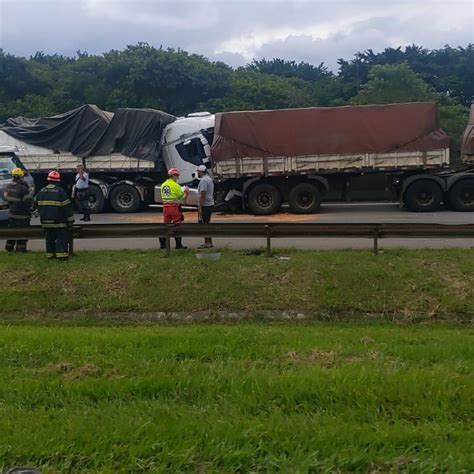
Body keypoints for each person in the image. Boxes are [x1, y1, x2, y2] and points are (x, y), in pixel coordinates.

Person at [35, 170, 75, 260]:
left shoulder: (41, 191)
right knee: (61, 238)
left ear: (48, 180)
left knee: (49, 238)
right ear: (58, 181)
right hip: (59, 222)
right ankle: (62, 257)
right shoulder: (61, 192)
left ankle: (50, 256)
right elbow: (67, 208)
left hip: (45, 221)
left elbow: (34, 205)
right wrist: (71, 220)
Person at [4, 167, 34, 252]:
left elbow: (5, 197)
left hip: (12, 214)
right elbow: (28, 201)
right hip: (23, 215)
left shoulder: (8, 186)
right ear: (21, 177)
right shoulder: (23, 188)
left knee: (12, 232)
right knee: (23, 232)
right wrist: (30, 193)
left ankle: (9, 247)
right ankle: (21, 249)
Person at [159, 168, 188, 250]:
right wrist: (186, 192)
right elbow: (182, 198)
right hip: (175, 208)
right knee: (177, 225)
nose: (178, 178)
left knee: (165, 225)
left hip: (165, 208)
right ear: (173, 176)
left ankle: (163, 245)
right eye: (177, 176)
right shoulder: (176, 186)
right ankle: (178, 245)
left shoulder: (163, 185)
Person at [196, 164, 214, 248]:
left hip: (205, 205)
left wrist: (200, 207)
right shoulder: (209, 179)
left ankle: (207, 242)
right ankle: (209, 241)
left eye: (198, 171)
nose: (198, 173)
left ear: (201, 172)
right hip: (209, 204)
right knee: (207, 223)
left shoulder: (203, 181)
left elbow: (203, 194)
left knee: (205, 224)